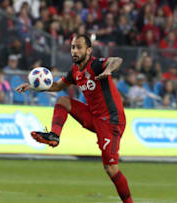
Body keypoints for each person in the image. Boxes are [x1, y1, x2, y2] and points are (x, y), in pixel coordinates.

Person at [16, 35, 133, 203]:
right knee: (63, 101)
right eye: (72, 47)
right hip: (94, 116)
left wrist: (108, 70)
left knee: (110, 168)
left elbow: (116, 60)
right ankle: (54, 136)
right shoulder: (75, 71)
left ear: (89, 50)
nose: (75, 51)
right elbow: (57, 86)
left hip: (111, 120)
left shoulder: (96, 65)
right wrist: (34, 85)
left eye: (79, 47)